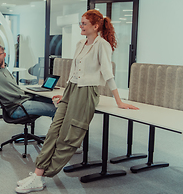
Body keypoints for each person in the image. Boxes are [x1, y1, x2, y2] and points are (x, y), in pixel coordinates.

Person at [15, 10, 139, 193]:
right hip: (72, 90)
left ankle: (41, 175)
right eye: (80, 23)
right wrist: (65, 95)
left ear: (95, 26)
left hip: (86, 93)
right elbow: (74, 73)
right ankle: (37, 174)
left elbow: (107, 73)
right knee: (53, 131)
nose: (80, 26)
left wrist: (119, 101)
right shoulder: (80, 43)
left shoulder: (102, 45)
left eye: (84, 23)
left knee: (68, 136)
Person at [0, 44, 56, 119]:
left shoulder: (5, 70)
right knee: (57, 111)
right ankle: (54, 140)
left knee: (56, 104)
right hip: (17, 108)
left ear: (4, 55)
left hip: (23, 101)